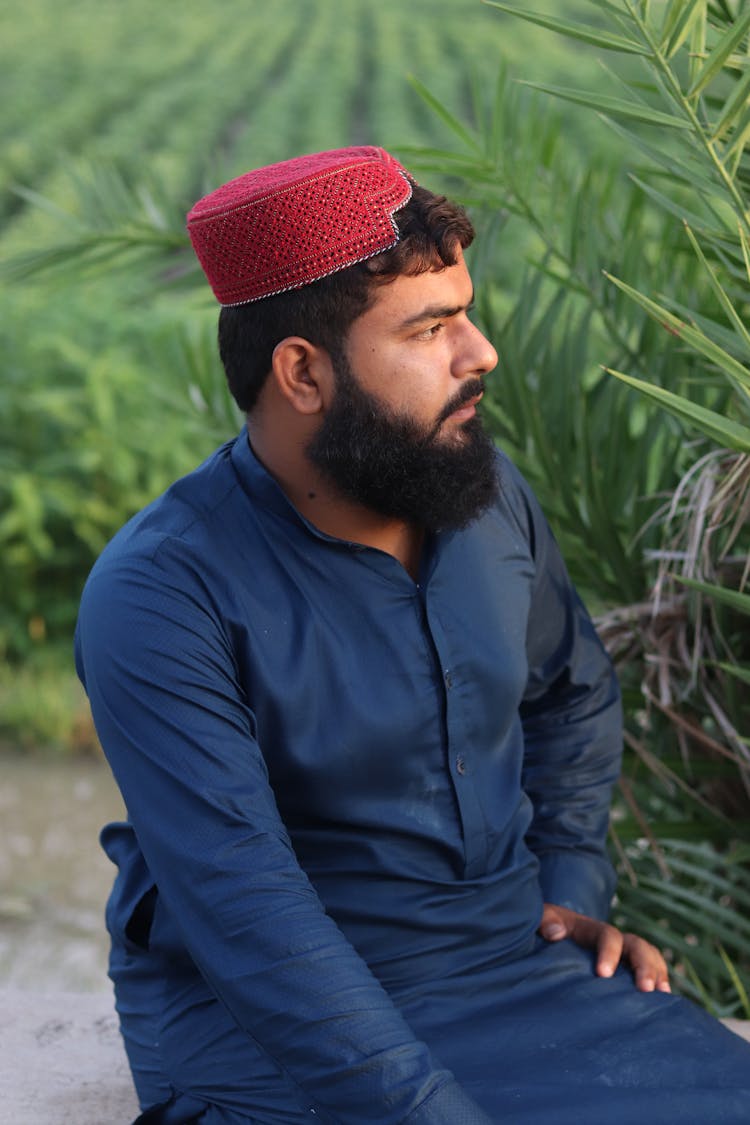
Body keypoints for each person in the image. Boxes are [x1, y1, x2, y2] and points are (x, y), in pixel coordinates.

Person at [75, 146, 750, 1124]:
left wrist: (569, 885)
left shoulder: (484, 497)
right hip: (266, 1025)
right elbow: (250, 918)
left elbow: (571, 697)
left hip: (510, 967)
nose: (480, 354)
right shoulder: (162, 592)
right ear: (303, 373)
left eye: (465, 314)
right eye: (432, 328)